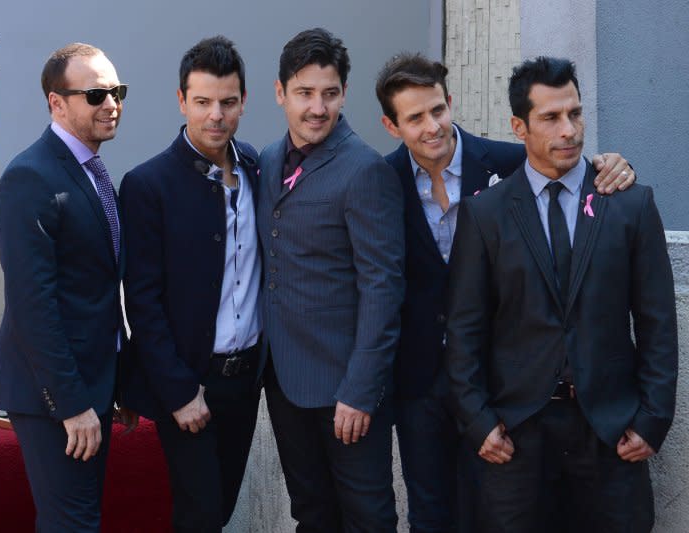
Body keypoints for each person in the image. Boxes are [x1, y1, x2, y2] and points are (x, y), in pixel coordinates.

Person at [375, 53, 636, 533]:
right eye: (414, 118)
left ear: (450, 102)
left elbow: (565, 166)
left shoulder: (506, 160)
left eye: (437, 110)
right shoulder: (379, 181)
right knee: (430, 514)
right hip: (419, 380)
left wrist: (616, 164)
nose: (432, 126)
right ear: (392, 126)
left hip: (498, 384)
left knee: (493, 512)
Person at [446, 56, 677, 532]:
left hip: (611, 431)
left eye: (574, 113)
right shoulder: (486, 215)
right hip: (517, 435)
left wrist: (653, 418)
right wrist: (478, 421)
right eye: (551, 118)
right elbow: (465, 329)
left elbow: (657, 322)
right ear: (519, 126)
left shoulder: (630, 204)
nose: (568, 129)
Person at [257, 28, 405, 532]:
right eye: (304, 93)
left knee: (367, 517)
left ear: (343, 93)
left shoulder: (365, 170)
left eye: (329, 93)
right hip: (283, 381)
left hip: (348, 389)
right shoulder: (267, 160)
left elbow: (383, 288)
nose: (317, 107)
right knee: (312, 513)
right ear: (281, 94)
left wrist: (361, 391)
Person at [119, 36, 261, 533]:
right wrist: (180, 392)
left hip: (246, 381)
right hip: (189, 381)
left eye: (227, 102)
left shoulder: (260, 170)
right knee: (199, 516)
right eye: (202, 102)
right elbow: (142, 301)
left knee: (217, 510)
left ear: (244, 101)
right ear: (182, 101)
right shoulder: (146, 185)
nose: (216, 115)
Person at [0, 42, 133, 532]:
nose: (110, 103)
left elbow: (97, 290)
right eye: (95, 94)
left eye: (116, 91)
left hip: (93, 383)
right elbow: (34, 306)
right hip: (55, 395)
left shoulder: (90, 170)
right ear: (57, 102)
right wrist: (72, 403)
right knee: (71, 523)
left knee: (78, 518)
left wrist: (118, 383)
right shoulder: (29, 177)